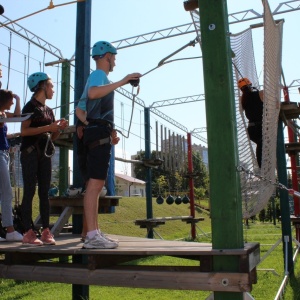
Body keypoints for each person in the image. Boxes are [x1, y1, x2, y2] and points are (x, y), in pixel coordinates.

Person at [76, 40, 141, 249]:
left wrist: (99, 126)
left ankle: (93, 233)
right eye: (114, 57)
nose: (115, 61)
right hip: (97, 132)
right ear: (107, 56)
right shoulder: (98, 76)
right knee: (95, 186)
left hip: (98, 132)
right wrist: (123, 81)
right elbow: (93, 93)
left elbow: (80, 108)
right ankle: (92, 236)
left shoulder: (99, 79)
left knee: (95, 185)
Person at [20, 72, 68, 246]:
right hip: (30, 152)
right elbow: (24, 131)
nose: (53, 90)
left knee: (44, 192)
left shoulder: (49, 111)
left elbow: (52, 136)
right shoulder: (30, 107)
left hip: (44, 152)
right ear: (42, 86)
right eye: (51, 86)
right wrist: (49, 126)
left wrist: (58, 128)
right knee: (30, 190)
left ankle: (46, 230)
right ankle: (27, 231)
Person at [0, 89, 23, 242]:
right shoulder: (1, 115)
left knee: (4, 192)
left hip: (4, 153)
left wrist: (18, 99)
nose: (12, 103)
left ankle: (8, 230)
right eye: (11, 100)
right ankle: (9, 229)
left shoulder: (2, 114)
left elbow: (17, 117)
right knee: (7, 192)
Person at [238, 77, 264, 168]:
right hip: (261, 127)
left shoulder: (242, 99)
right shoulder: (260, 93)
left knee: (260, 144)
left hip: (251, 129)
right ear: (250, 85)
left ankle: (261, 166)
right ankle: (262, 166)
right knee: (263, 144)